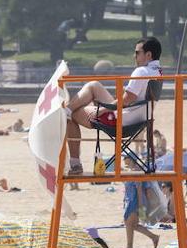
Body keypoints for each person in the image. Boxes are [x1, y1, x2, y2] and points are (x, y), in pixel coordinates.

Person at [65, 37, 162, 174]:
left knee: (73, 115)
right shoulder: (158, 72)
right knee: (94, 85)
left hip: (121, 121)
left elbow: (129, 98)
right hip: (139, 120)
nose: (134, 56)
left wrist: (102, 110)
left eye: (137, 53)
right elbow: (133, 98)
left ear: (148, 55)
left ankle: (75, 164)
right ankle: (67, 110)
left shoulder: (142, 71)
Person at [122, 181, 159, 248]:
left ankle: (129, 246)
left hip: (135, 202)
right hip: (131, 201)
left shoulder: (136, 172)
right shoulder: (131, 172)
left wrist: (140, 205)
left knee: (129, 223)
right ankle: (154, 237)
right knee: (133, 225)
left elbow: (139, 189)